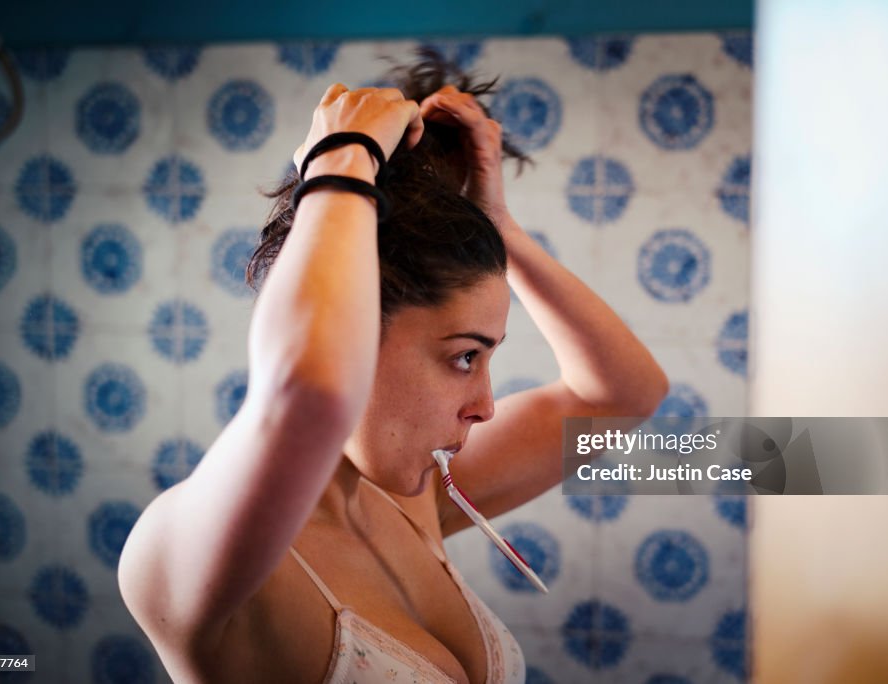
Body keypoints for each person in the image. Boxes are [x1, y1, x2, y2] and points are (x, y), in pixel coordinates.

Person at [118, 53, 669, 683]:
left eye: (487, 356)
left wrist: (497, 226)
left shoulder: (413, 495)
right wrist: (340, 158)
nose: (485, 404)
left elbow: (623, 395)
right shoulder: (194, 559)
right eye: (464, 356)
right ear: (354, 333)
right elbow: (308, 392)